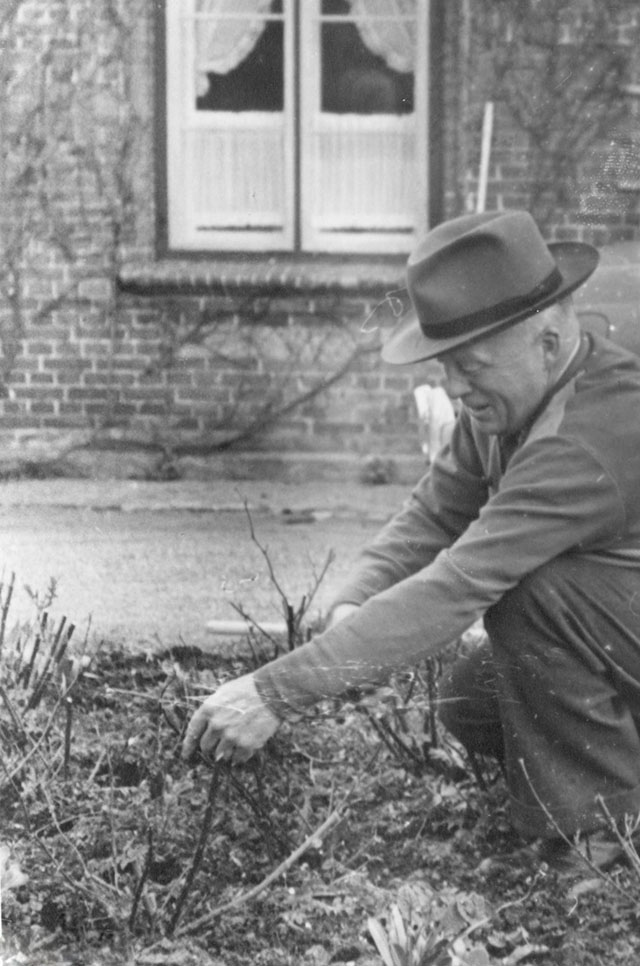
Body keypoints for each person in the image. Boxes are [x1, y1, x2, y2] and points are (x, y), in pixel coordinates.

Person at [183, 210, 640, 874]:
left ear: (546, 340)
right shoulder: (514, 397)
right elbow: (433, 515)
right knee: (473, 699)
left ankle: (600, 849)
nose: (454, 387)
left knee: (531, 597)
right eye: (447, 364)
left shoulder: (587, 432)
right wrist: (355, 599)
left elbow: (460, 583)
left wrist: (278, 691)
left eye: (471, 364)